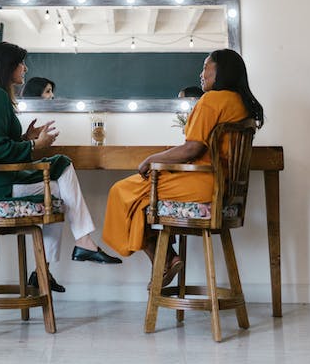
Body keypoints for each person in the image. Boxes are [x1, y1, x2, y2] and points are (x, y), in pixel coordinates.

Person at [0, 42, 121, 294]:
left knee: (57, 193)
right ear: (6, 66)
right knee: (61, 163)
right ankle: (83, 242)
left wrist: (26, 139)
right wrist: (36, 145)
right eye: (21, 63)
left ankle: (44, 271)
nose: (25, 68)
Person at [102, 48, 264, 288]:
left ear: (221, 70)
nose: (201, 74)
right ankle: (168, 256)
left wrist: (151, 159)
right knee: (141, 200)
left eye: (205, 67)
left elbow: (192, 149)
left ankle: (165, 257)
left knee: (122, 191)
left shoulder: (212, 100)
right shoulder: (240, 103)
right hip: (224, 188)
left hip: (201, 183)